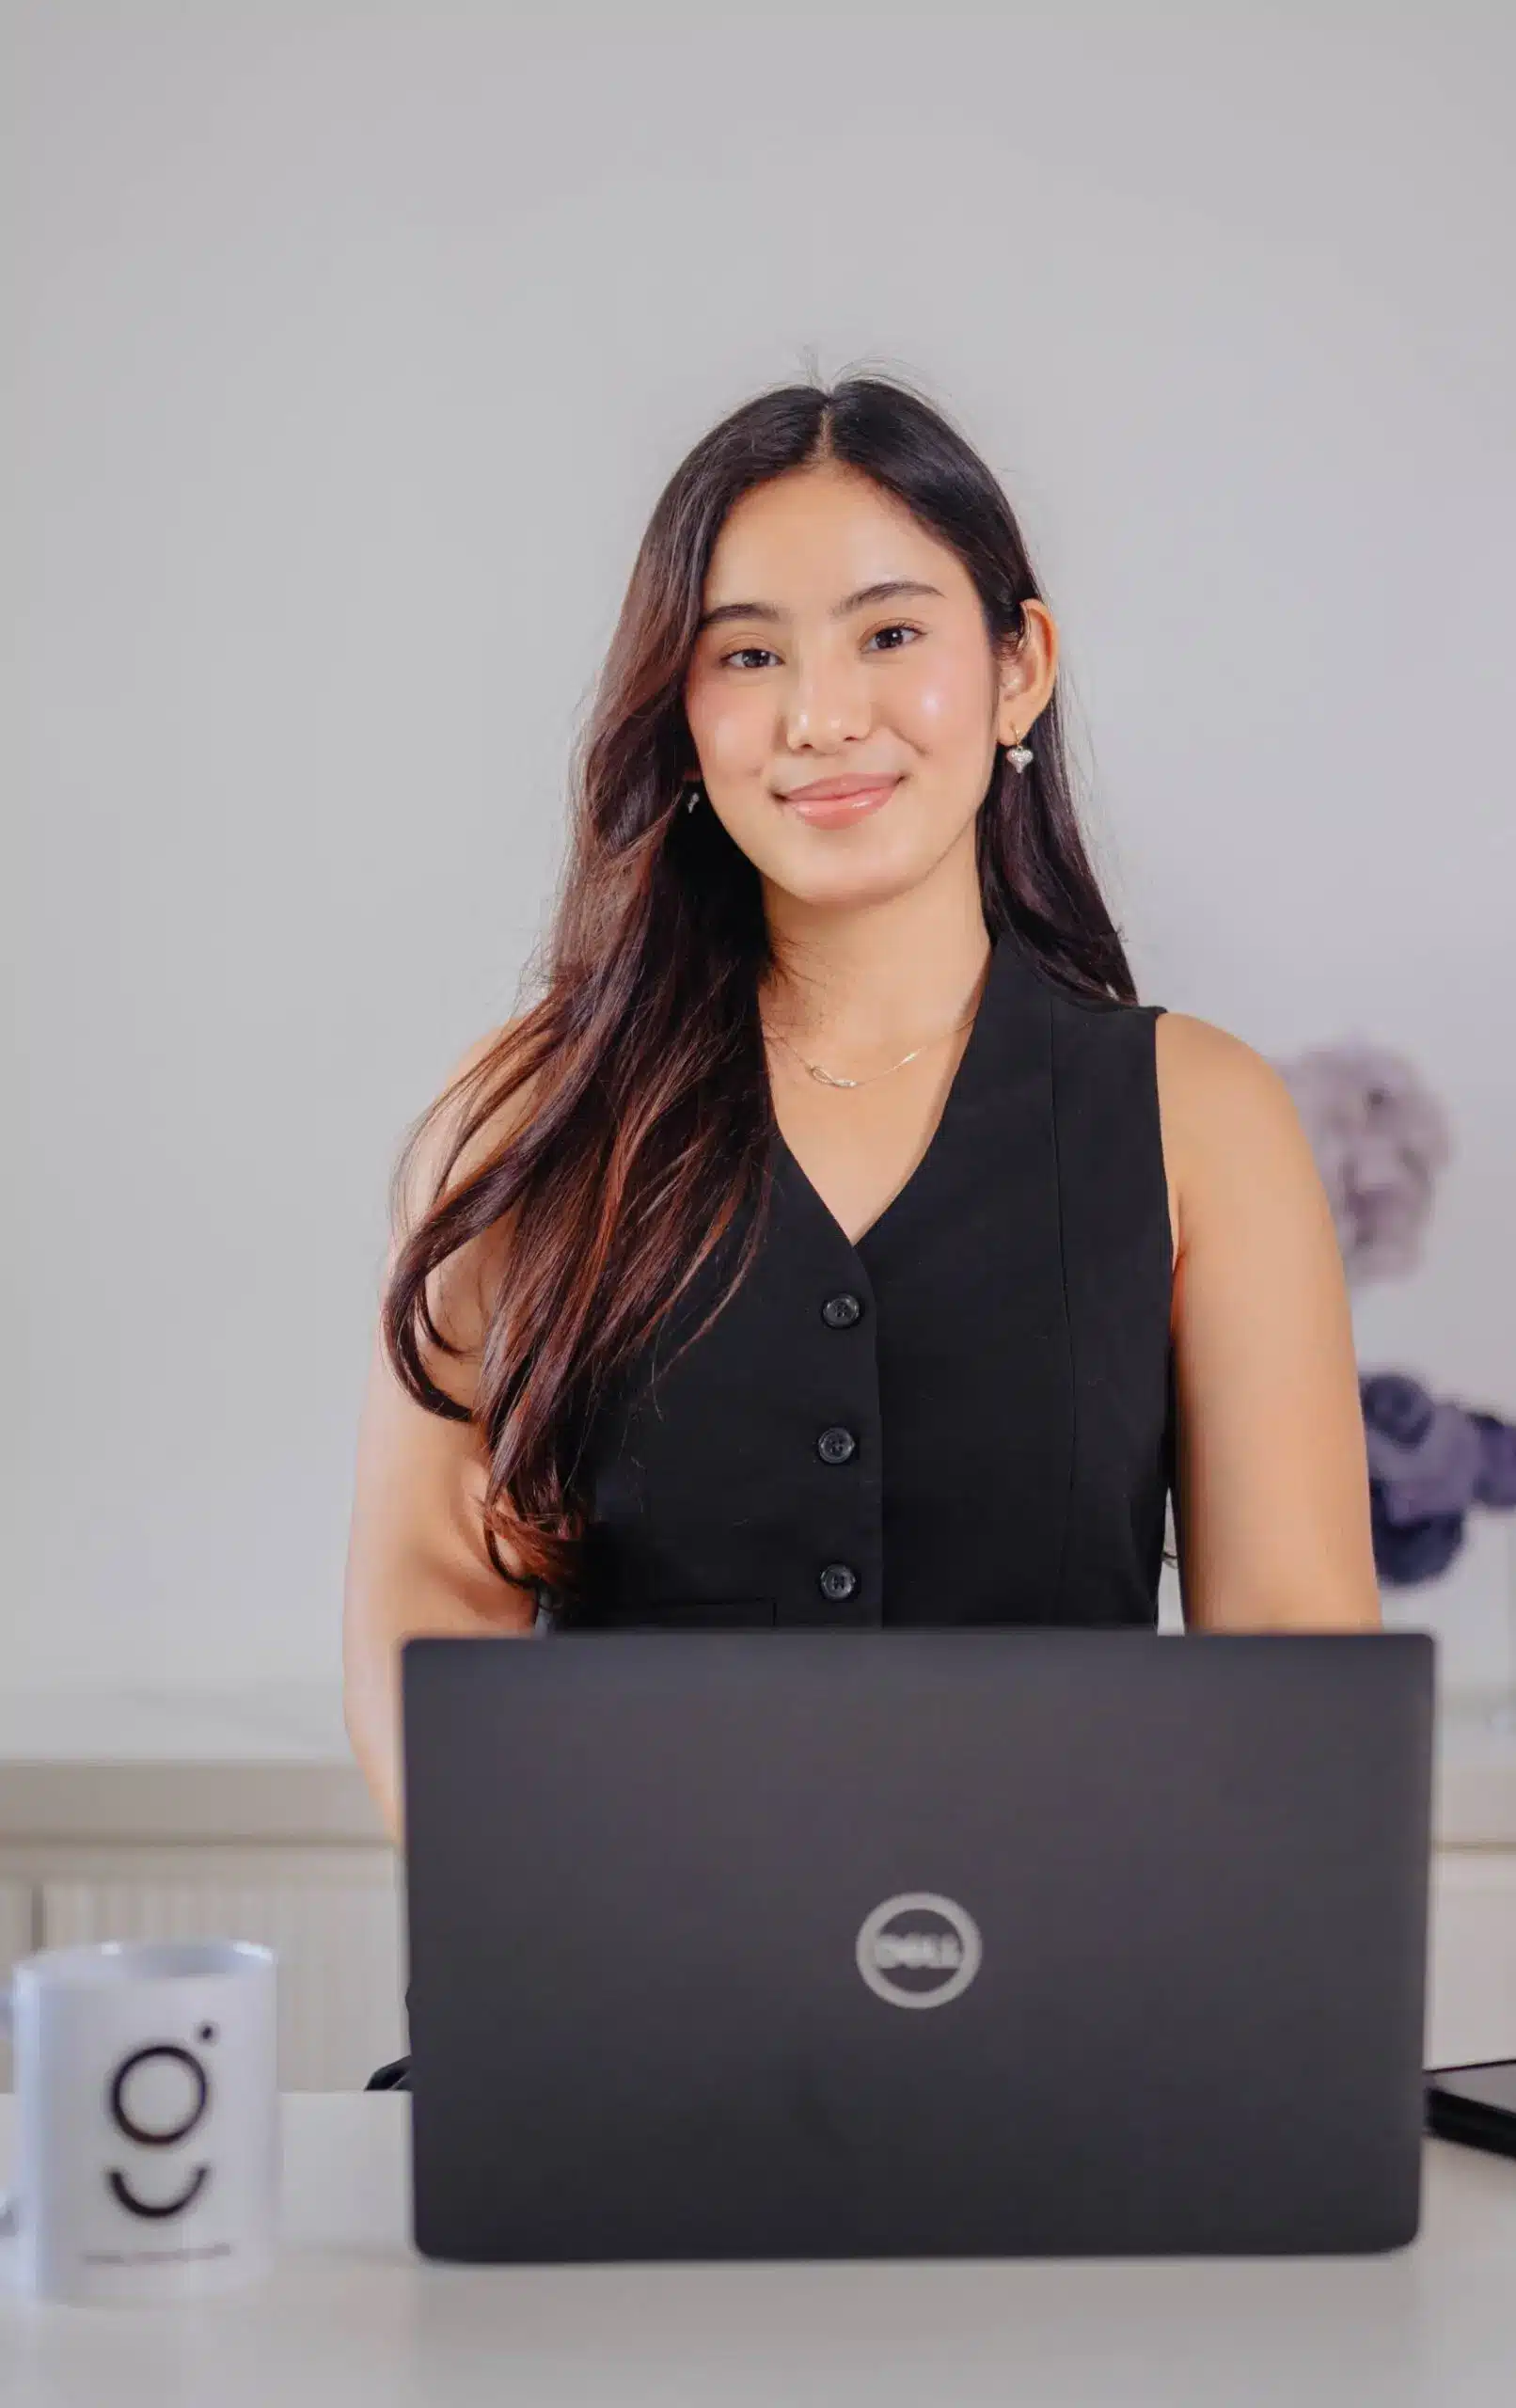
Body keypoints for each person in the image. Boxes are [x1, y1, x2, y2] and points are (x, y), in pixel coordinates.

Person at [343, 372, 1381, 1878]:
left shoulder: (1201, 1119)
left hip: (1069, 2042)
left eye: (891, 634)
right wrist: (561, 1948)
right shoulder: (523, 1119)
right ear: (682, 712)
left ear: (1018, 664)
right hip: (615, 2036)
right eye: (747, 654)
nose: (824, 717)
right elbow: (422, 1623)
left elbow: (1293, 1652)